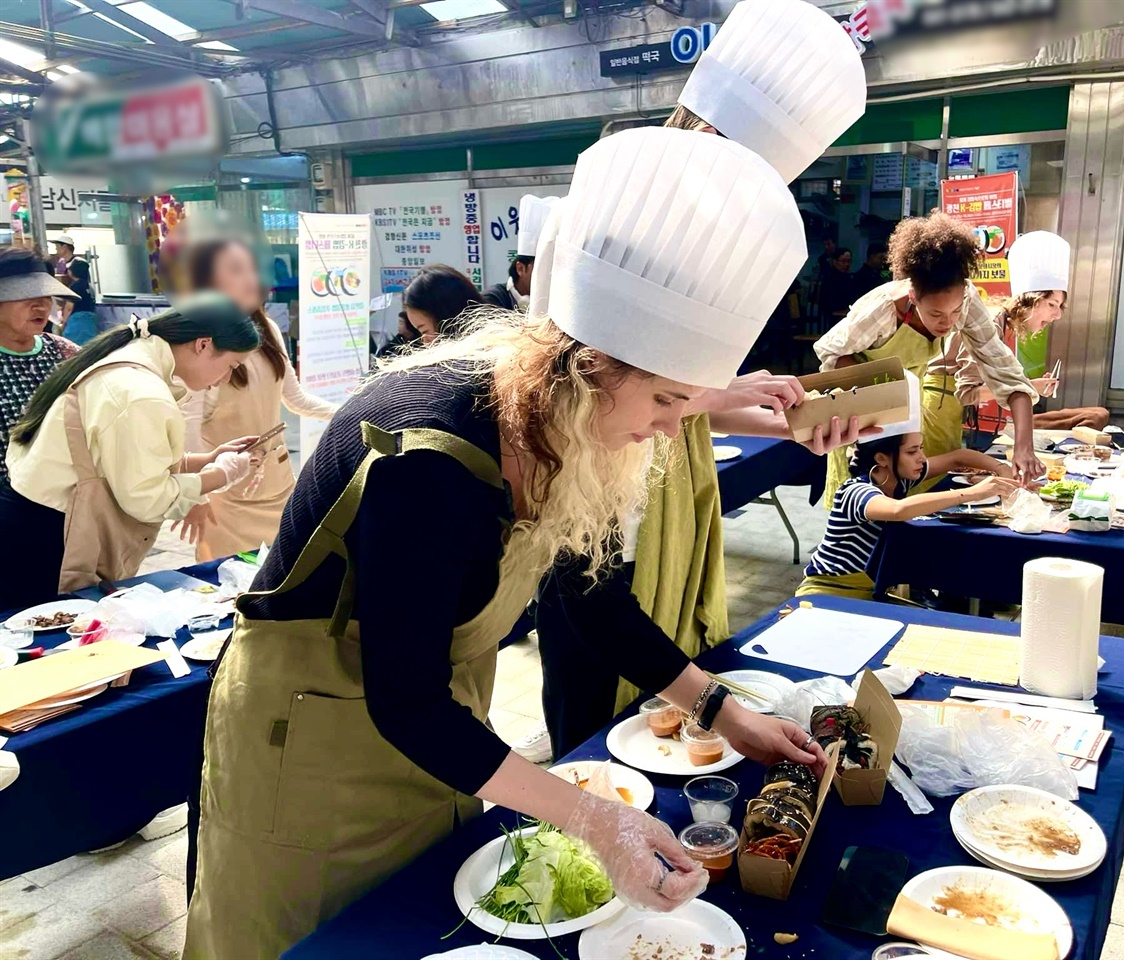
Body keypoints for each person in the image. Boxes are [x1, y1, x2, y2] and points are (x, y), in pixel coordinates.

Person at [184, 127, 824, 959]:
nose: (668, 430)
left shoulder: (546, 421)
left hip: (432, 738)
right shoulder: (431, 457)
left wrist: (718, 708)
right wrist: (591, 816)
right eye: (667, 402)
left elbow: (587, 594)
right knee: (306, 938)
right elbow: (405, 698)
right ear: (588, 367)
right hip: (304, 747)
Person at [528, 0, 871, 762]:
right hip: (597, 482)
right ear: (710, 135)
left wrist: (792, 423)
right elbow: (586, 385)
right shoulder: (610, 205)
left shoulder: (717, 226)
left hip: (674, 478)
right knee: (599, 653)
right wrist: (715, 395)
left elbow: (674, 409)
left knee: (678, 687)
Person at [1, 293, 260, 610]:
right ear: (203, 344)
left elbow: (118, 461)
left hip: (33, 518)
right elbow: (146, 499)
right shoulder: (140, 391)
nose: (225, 379)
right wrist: (220, 475)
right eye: (230, 365)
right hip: (44, 535)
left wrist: (203, 460)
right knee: (45, 646)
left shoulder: (131, 359)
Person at [814, 210, 1042, 506]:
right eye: (936, 314)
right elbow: (830, 354)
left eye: (955, 312)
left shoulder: (966, 298)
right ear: (913, 297)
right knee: (864, 498)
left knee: (907, 495)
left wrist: (1025, 447)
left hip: (908, 402)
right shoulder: (882, 311)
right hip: (860, 405)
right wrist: (886, 393)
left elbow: (1005, 372)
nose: (947, 323)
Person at [179, 237, 338, 561]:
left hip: (277, 481)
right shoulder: (201, 340)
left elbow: (295, 399)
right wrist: (196, 495)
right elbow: (190, 427)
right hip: (225, 489)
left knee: (286, 568)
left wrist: (348, 412)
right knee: (228, 580)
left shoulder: (268, 330)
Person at [798, 430, 1018, 598]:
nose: (922, 458)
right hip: (829, 592)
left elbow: (957, 458)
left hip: (871, 589)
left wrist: (1001, 469)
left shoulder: (900, 480)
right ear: (882, 458)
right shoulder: (856, 491)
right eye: (912, 452)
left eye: (920, 448)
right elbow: (898, 510)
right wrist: (971, 493)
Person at [956, 231, 1109, 444]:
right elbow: (966, 393)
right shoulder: (990, 324)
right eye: (1051, 304)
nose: (1057, 315)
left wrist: (1028, 385)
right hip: (942, 412)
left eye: (1060, 307)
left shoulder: (1004, 323)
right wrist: (1028, 387)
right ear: (1029, 301)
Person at [0, 247, 79, 493]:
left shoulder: (66, 353)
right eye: (26, 297)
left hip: (61, 499)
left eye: (46, 297)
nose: (41, 307)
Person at [479, 195, 559, 312]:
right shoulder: (493, 300)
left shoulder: (555, 301)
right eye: (543, 268)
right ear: (520, 268)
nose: (549, 276)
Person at [60, 258, 98, 345]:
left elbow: (69, 307)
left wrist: (64, 322)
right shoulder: (90, 286)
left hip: (77, 321)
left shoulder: (75, 286)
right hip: (90, 321)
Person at [817, 247, 858, 326]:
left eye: (849, 261)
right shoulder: (829, 279)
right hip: (833, 318)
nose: (846, 264)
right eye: (843, 261)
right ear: (835, 262)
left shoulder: (849, 278)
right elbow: (826, 302)